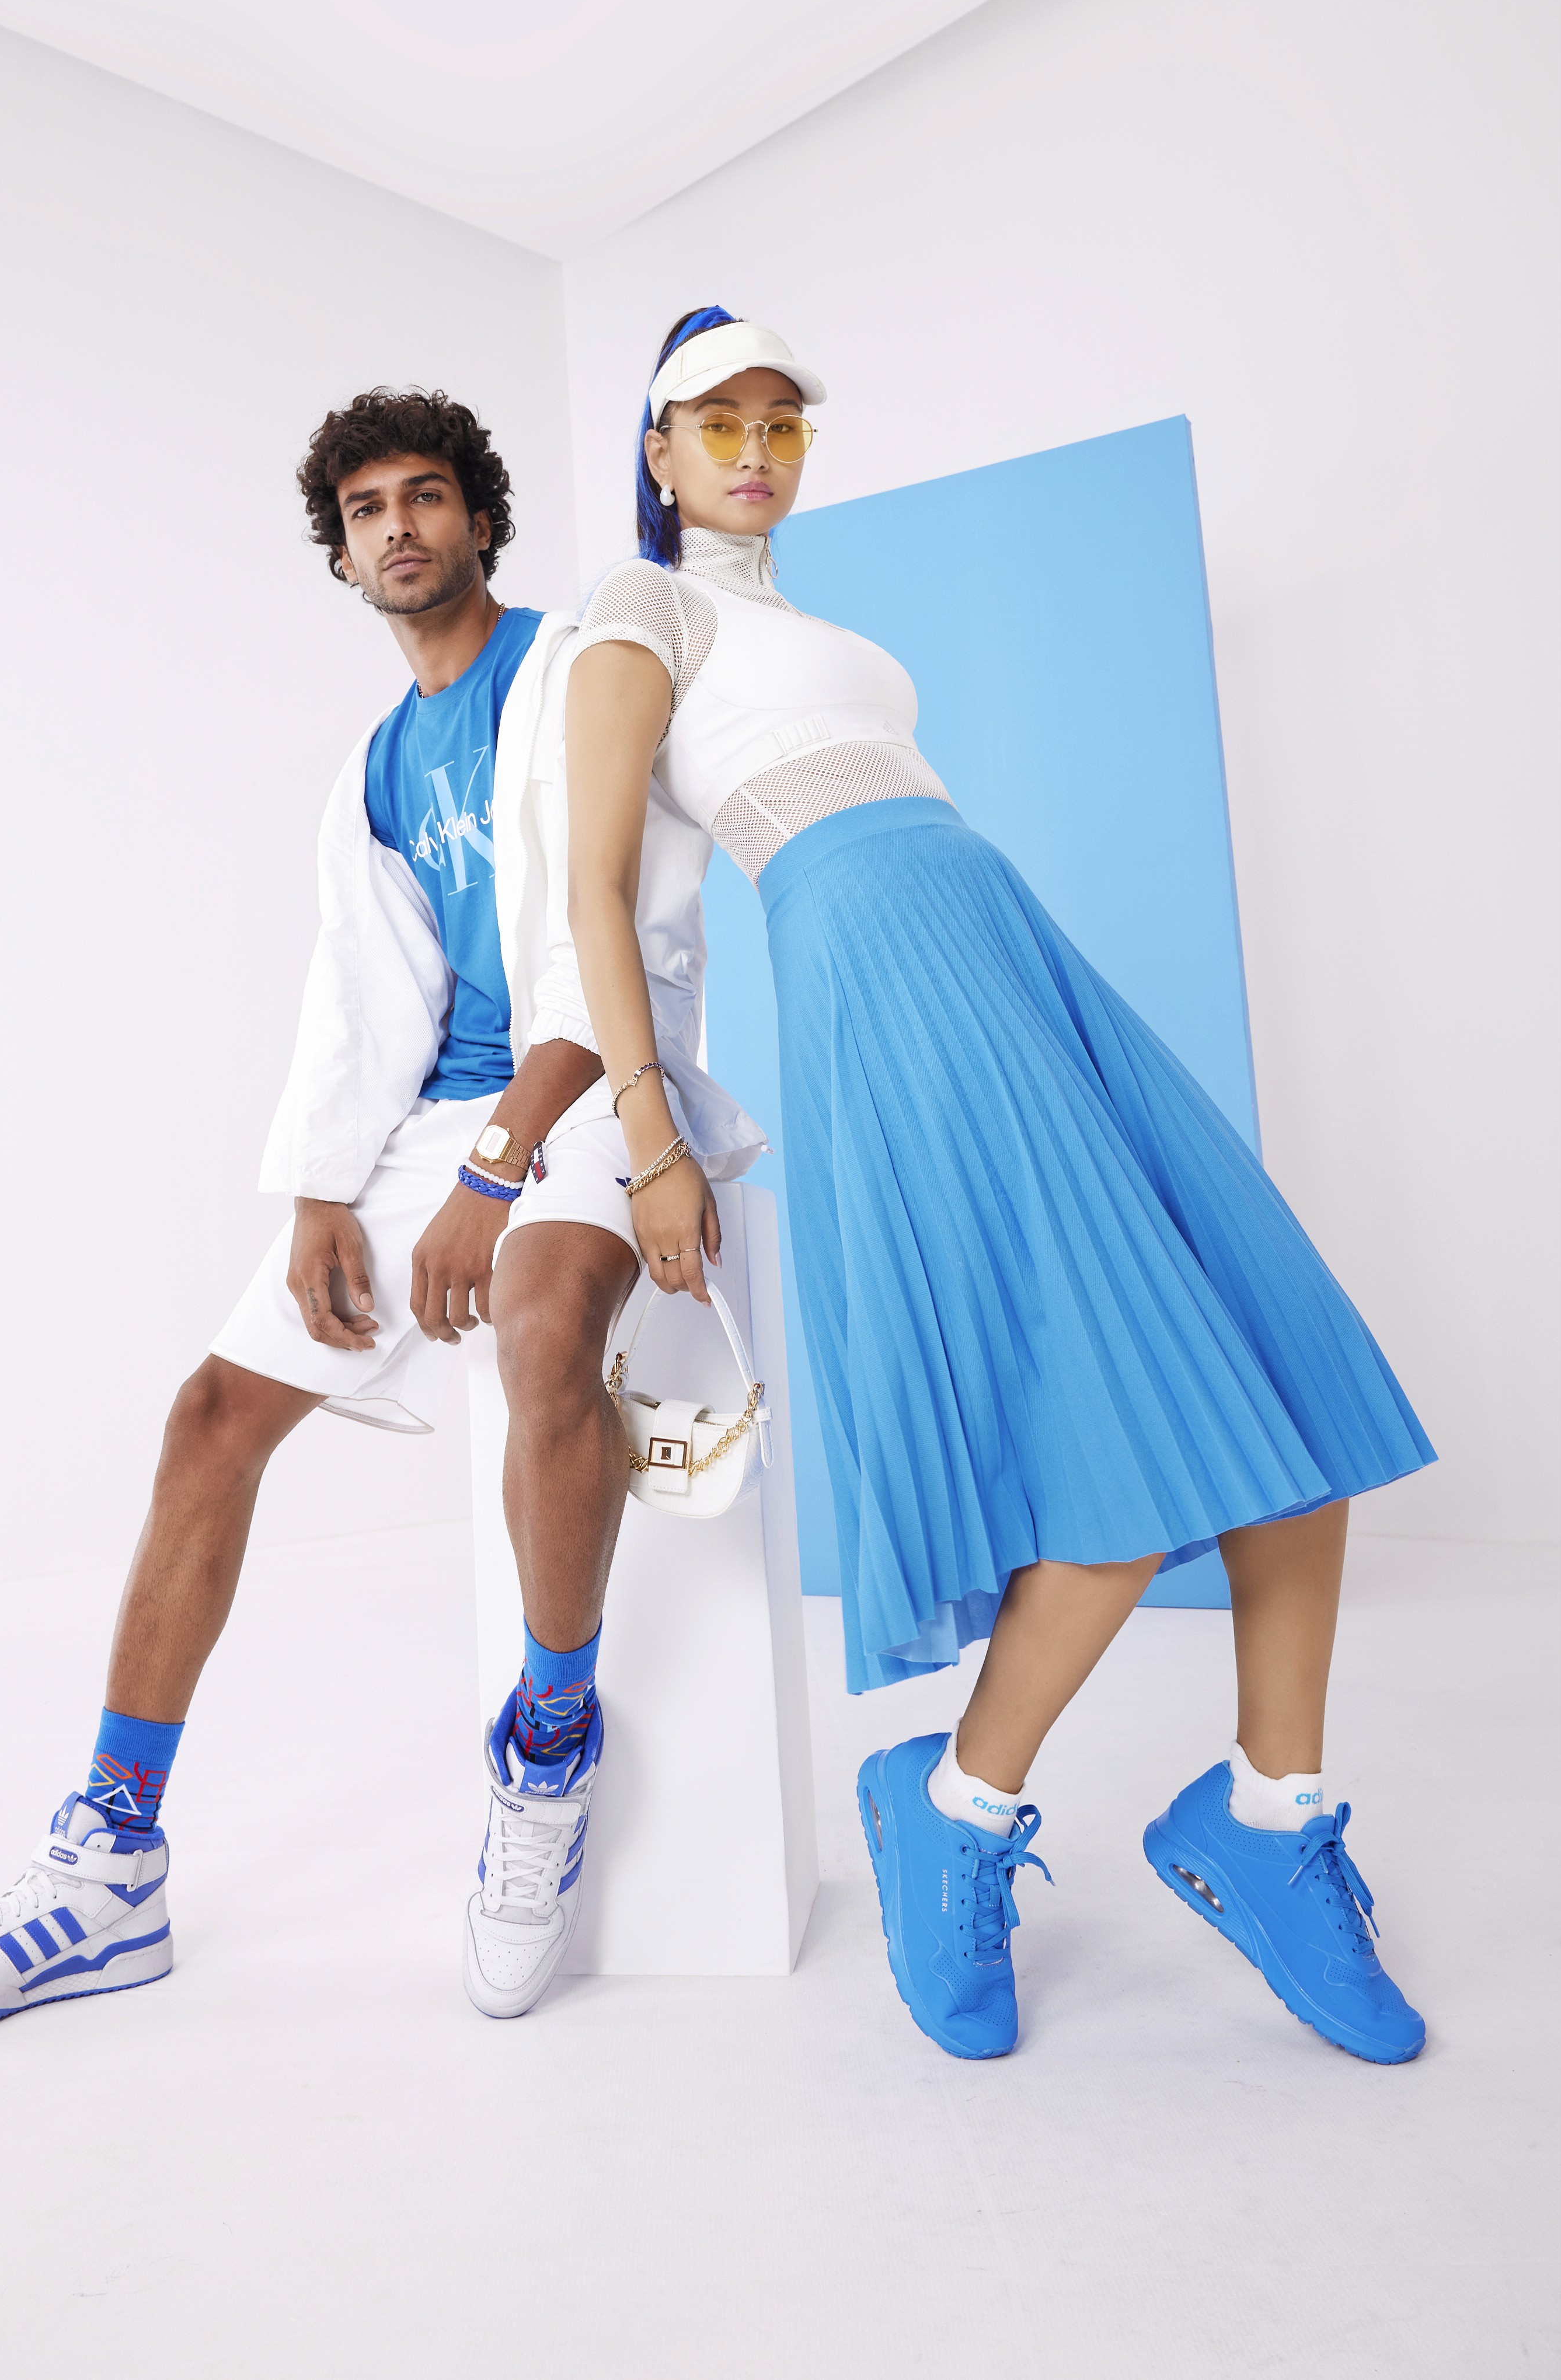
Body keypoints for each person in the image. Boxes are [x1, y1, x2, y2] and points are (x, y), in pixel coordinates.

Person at [563, 305, 1435, 2065]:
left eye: (782, 422)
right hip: (884, 974)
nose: (752, 447)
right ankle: (953, 1806)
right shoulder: (635, 609)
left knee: (1296, 1380)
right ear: (657, 450)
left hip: (1004, 943)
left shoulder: (808, 620)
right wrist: (647, 1135)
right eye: (715, 420)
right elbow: (598, 893)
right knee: (1117, 1452)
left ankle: (1268, 1820)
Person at [0, 385, 759, 2033]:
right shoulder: (373, 759)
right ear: (342, 554)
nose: (400, 526)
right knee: (210, 1413)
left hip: (593, 1087)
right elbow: (363, 999)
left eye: (428, 496)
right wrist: (320, 1194)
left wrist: (496, 1172)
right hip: (443, 1115)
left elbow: (617, 925)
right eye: (367, 510)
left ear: (479, 519)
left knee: (554, 1317)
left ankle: (550, 1747)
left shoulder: (575, 668)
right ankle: (113, 1858)